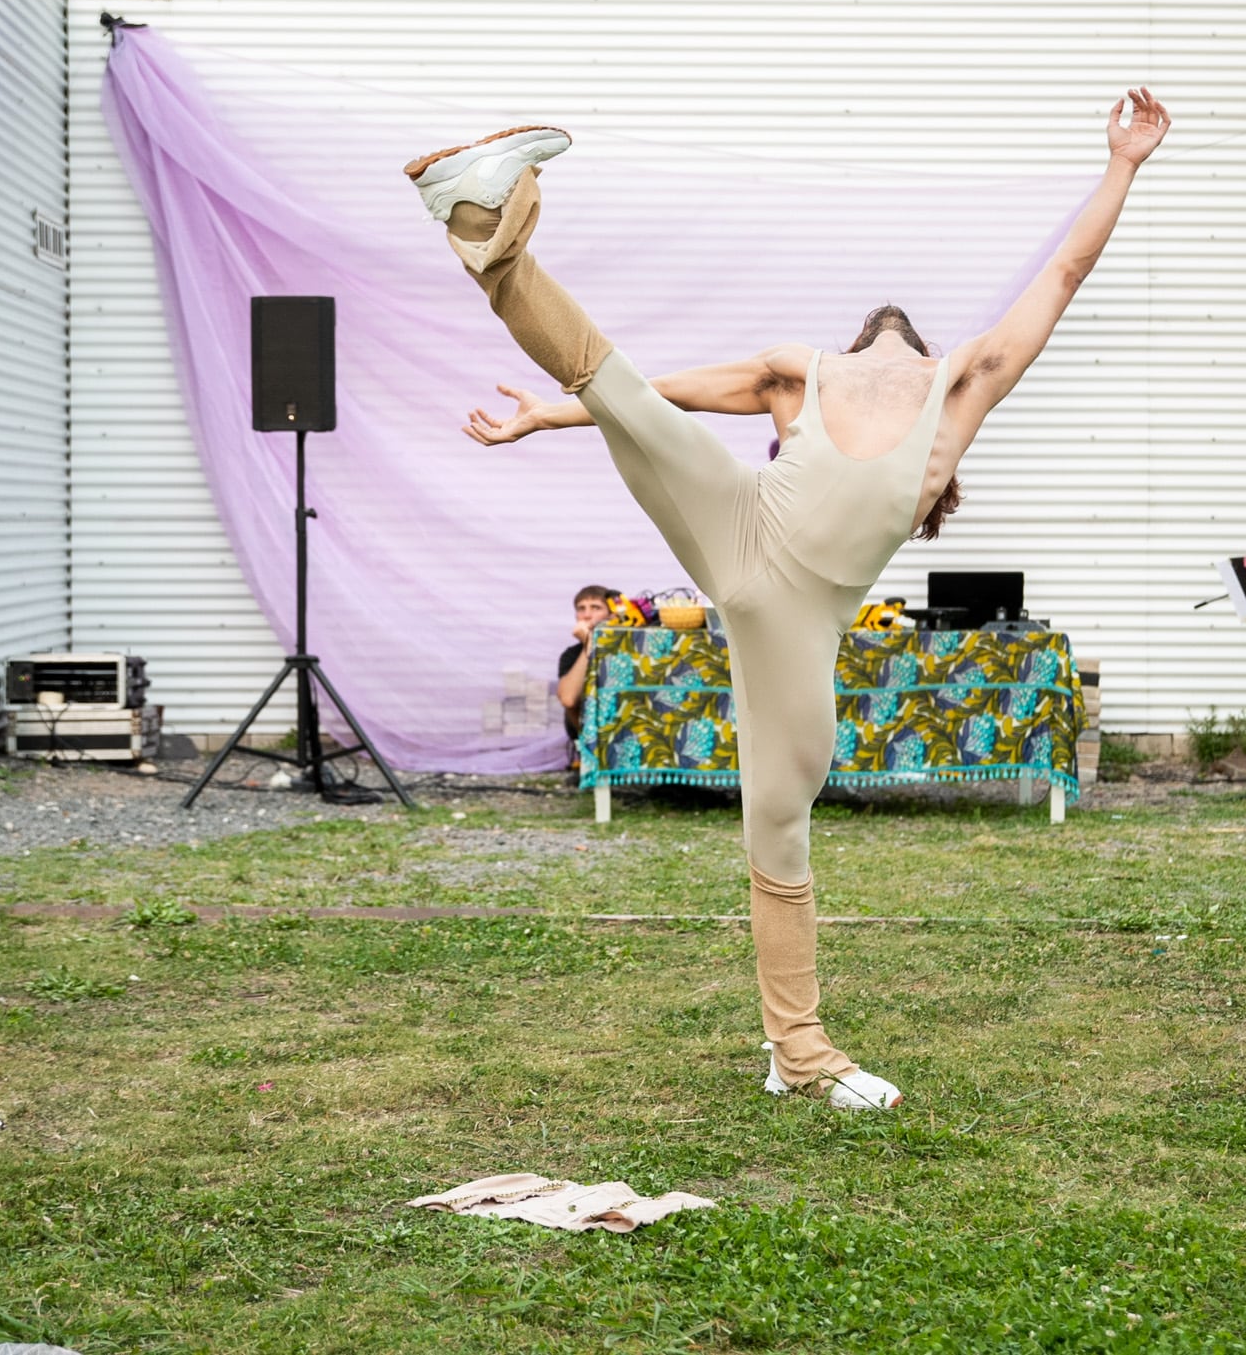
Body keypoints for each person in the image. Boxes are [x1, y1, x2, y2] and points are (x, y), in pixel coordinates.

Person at [409, 91, 1171, 1109]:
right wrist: (551, 414)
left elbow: (1064, 275)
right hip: (738, 522)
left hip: (798, 621)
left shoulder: (963, 383)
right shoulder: (796, 372)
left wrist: (1122, 163)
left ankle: (792, 1049)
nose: (892, 328)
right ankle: (476, 216)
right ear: (859, 338)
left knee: (779, 823)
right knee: (612, 377)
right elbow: (652, 393)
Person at [557, 583, 617, 744]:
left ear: (611, 615)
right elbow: (569, 699)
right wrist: (588, 646)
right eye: (581, 609)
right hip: (587, 737)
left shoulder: (625, 649)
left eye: (596, 608)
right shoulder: (571, 654)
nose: (586, 615)